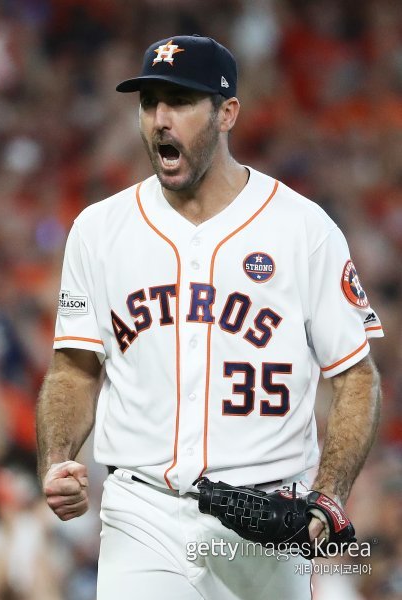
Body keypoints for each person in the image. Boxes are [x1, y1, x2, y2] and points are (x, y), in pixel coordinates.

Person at [36, 35, 384, 600]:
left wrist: (329, 496)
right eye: (149, 103)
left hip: (267, 517)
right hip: (142, 513)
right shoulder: (98, 230)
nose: (160, 119)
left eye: (179, 101)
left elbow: (356, 379)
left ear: (227, 113)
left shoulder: (303, 229)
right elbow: (73, 369)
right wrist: (56, 461)